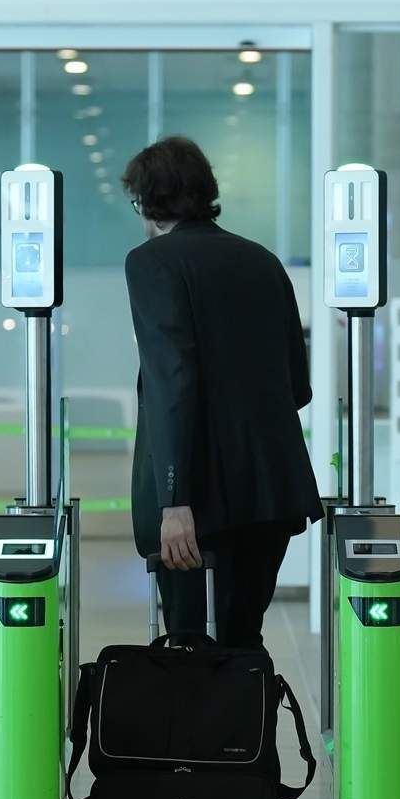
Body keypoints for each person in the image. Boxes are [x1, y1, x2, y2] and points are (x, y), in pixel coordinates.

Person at [122, 136, 320, 651]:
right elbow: (297, 386)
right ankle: (247, 734)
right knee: (242, 640)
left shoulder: (152, 263)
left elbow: (172, 381)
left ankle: (208, 735)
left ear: (146, 201)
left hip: (197, 508)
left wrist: (174, 500)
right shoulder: (263, 261)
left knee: (191, 652)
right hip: (270, 495)